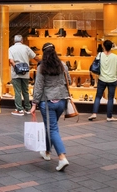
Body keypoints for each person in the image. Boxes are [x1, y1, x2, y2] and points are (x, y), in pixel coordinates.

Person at [29, 42, 71, 171]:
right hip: (62, 101)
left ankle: (62, 157)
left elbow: (39, 86)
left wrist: (34, 103)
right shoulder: (62, 65)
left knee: (52, 129)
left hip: (47, 102)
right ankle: (47, 152)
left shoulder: (42, 67)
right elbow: (68, 81)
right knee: (51, 127)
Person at [88, 39, 117, 122]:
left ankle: (94, 113)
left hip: (102, 78)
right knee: (110, 98)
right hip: (112, 79)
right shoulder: (115, 57)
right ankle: (109, 116)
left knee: (98, 96)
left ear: (103, 46)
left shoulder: (100, 55)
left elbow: (95, 64)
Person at [8, 34, 36, 116]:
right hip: (25, 73)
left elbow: (11, 61)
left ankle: (19, 109)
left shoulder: (11, 49)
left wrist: (17, 69)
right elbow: (34, 56)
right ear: (22, 40)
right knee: (25, 91)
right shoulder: (26, 48)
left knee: (17, 91)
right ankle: (28, 108)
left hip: (15, 73)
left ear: (14, 41)